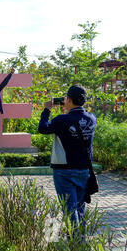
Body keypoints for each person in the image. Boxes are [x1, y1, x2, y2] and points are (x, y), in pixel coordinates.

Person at [38, 85, 96, 235]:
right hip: (84, 170)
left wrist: (47, 109)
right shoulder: (91, 118)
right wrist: (69, 109)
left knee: (70, 210)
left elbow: (42, 128)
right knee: (79, 208)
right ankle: (80, 241)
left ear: (68, 99)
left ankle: (74, 244)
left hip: (64, 171)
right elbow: (75, 121)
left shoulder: (61, 120)